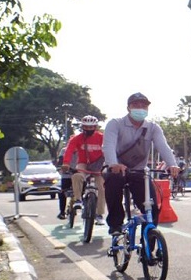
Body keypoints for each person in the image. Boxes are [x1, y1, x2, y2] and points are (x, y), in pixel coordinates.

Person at [102, 92, 180, 236]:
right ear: (128, 108)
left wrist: (172, 164)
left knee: (151, 208)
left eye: (144, 105)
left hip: (139, 172)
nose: (140, 108)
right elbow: (108, 145)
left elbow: (163, 146)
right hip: (117, 169)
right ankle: (115, 224)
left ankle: (149, 242)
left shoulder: (153, 127)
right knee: (113, 181)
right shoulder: (115, 124)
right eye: (136, 105)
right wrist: (113, 164)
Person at [61, 115, 107, 225]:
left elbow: (109, 149)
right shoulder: (76, 139)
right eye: (86, 127)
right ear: (83, 127)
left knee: (102, 187)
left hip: (98, 165)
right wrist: (66, 163)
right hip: (83, 164)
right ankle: (78, 200)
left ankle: (99, 214)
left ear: (95, 127)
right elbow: (69, 151)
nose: (89, 129)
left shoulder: (102, 138)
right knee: (77, 176)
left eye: (91, 127)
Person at [55, 146, 76, 219]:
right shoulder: (64, 150)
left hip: (80, 174)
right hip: (67, 175)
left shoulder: (83, 148)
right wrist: (62, 168)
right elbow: (60, 162)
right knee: (62, 192)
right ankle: (62, 212)